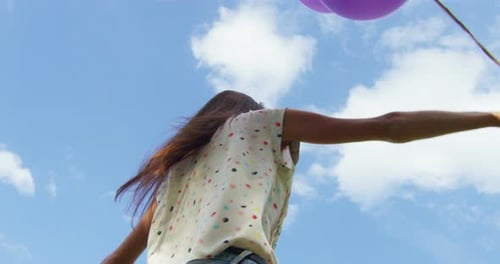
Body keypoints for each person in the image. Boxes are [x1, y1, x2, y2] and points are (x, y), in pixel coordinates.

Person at [103, 90, 499, 264]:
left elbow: (115, 261)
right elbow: (390, 125)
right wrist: (489, 117)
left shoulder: (174, 179)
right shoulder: (257, 124)